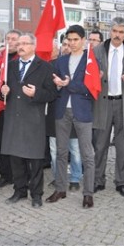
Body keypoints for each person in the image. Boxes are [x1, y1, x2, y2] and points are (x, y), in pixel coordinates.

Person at [0, 33, 57, 208]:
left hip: (34, 119)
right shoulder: (11, 65)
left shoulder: (45, 67)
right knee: (15, 158)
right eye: (19, 43)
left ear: (33, 46)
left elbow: (52, 94)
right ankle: (19, 190)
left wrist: (36, 94)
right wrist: (4, 91)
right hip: (13, 118)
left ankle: (37, 194)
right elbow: (3, 90)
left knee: (35, 160)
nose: (20, 46)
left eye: (25, 43)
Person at [92, 17, 124, 198]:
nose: (118, 35)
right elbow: (88, 75)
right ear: (110, 31)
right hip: (102, 103)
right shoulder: (97, 51)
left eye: (121, 32)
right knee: (100, 145)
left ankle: (120, 182)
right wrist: (94, 77)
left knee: (123, 147)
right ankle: (98, 180)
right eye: (115, 31)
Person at [46, 25, 95, 208]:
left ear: (83, 40)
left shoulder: (91, 60)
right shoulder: (61, 61)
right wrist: (59, 85)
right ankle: (60, 189)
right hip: (62, 110)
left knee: (87, 154)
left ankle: (88, 193)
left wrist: (69, 84)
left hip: (82, 111)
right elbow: (55, 85)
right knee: (60, 152)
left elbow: (91, 88)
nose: (72, 43)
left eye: (76, 39)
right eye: (70, 40)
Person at [0, 29, 21, 188]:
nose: (10, 41)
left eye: (14, 39)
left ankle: (20, 173)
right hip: (1, 106)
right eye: (8, 38)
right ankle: (5, 173)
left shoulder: (22, 59)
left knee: (17, 142)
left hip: (18, 107)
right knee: (1, 142)